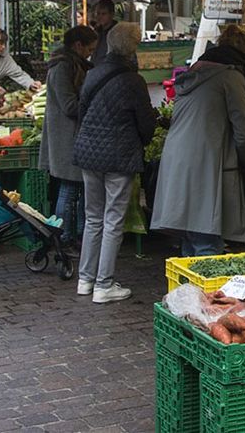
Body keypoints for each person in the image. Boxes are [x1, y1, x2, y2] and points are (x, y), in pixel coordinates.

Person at [150, 24, 245, 256]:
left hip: (177, 159)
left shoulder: (196, 70)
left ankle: (187, 291)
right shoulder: (231, 76)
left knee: (191, 237)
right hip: (206, 163)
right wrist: (244, 162)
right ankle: (203, 292)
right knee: (207, 241)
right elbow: (244, 130)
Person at [72, 23, 156, 303]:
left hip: (88, 153)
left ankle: (85, 279)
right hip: (119, 155)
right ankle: (104, 285)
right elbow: (147, 125)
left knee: (93, 217)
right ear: (132, 47)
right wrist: (141, 142)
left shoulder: (93, 73)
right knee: (113, 220)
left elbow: (82, 112)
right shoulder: (134, 81)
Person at [39, 25, 98, 249]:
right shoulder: (62, 67)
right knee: (69, 188)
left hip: (73, 137)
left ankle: (79, 237)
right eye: (89, 48)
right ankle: (62, 237)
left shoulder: (74, 64)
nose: (90, 53)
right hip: (66, 138)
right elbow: (69, 106)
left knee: (79, 189)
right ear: (77, 45)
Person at [90, 0, 118, 66]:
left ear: (111, 14)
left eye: (103, 14)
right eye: (98, 13)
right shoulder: (95, 31)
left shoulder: (118, 33)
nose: (99, 17)